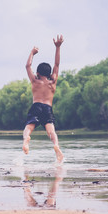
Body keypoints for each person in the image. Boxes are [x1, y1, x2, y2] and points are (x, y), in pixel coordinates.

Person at [22, 35, 64, 163]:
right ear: (49, 72)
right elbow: (57, 63)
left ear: (38, 73)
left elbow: (27, 66)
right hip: (47, 108)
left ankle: (26, 140)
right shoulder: (53, 80)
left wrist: (32, 53)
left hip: (36, 106)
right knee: (51, 131)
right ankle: (56, 144)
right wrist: (58, 47)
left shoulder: (35, 80)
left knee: (28, 128)